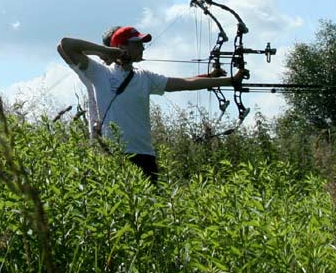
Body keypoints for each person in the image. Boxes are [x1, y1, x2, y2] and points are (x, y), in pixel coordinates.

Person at [57, 26, 245, 183]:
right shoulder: (101, 74)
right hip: (115, 155)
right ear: (122, 47)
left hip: (145, 156)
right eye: (137, 44)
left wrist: (229, 80)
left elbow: (186, 83)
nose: (143, 48)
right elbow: (66, 44)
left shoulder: (145, 77)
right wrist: (108, 52)